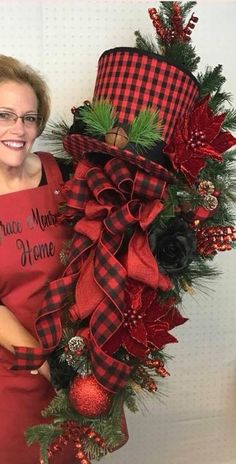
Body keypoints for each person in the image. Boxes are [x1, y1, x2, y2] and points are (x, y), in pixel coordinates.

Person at [0, 55, 74, 463]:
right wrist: (39, 359)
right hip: (11, 372)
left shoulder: (62, 174)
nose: (18, 129)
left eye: (29, 118)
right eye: (4, 114)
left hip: (74, 361)